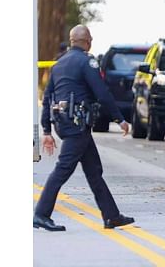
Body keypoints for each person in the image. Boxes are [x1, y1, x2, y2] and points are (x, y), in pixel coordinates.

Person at [34, 25, 135, 231]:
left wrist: (46, 130)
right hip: (77, 125)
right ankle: (40, 214)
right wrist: (119, 119)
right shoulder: (86, 61)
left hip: (65, 124)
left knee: (94, 171)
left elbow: (47, 99)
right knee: (63, 169)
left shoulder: (59, 63)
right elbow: (102, 92)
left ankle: (111, 216)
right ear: (87, 41)